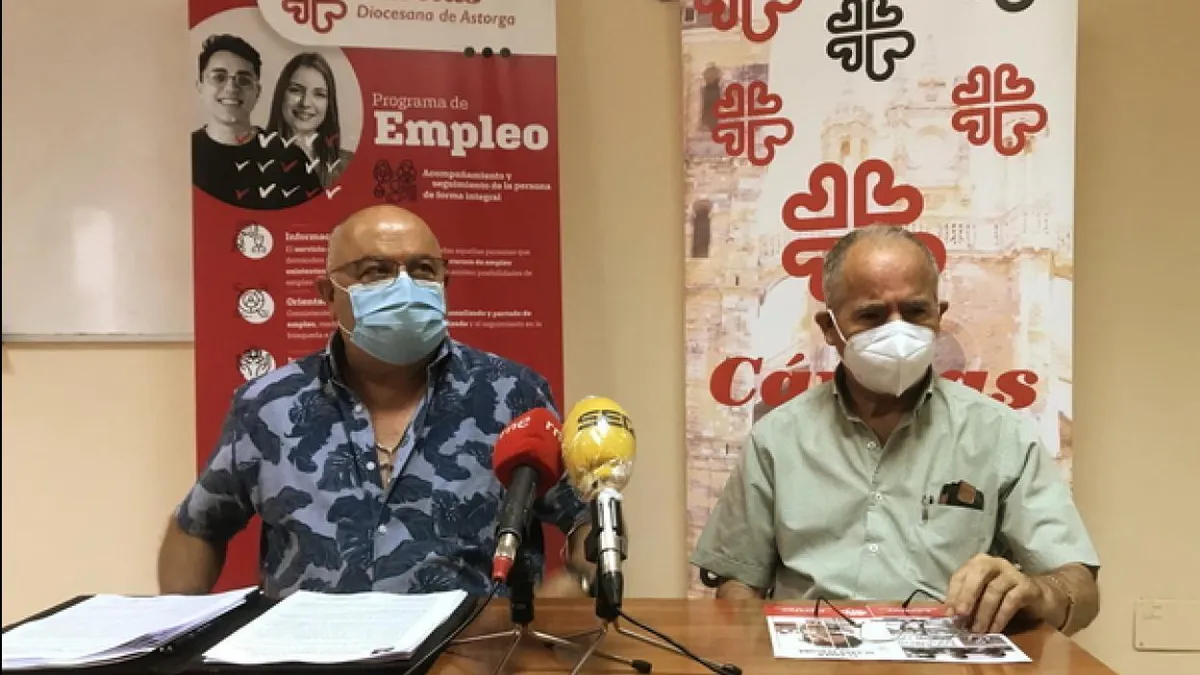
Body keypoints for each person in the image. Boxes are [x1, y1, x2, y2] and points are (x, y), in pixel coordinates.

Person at [158, 205, 592, 598]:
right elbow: (198, 527)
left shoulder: (510, 394)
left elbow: (588, 519)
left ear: (444, 283)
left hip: (469, 650)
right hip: (310, 650)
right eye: (375, 272)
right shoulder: (267, 406)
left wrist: (570, 593)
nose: (404, 287)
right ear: (328, 295)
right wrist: (176, 632)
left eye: (423, 269)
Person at [691, 225, 1101, 635]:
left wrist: (1035, 593)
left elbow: (1080, 590)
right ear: (829, 328)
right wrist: (756, 650)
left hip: (950, 659)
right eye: (871, 316)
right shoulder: (776, 439)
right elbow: (736, 582)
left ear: (939, 316)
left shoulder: (1001, 435)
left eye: (916, 312)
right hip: (813, 656)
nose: (897, 332)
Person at [191, 34, 317, 209]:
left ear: (257, 91)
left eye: (243, 80)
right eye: (219, 77)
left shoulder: (290, 158)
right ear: (200, 87)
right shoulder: (182, 154)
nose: (231, 88)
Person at [266, 52, 355, 188]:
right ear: (281, 95)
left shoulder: (349, 165)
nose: (305, 103)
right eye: (296, 90)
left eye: (319, 94)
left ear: (329, 104)